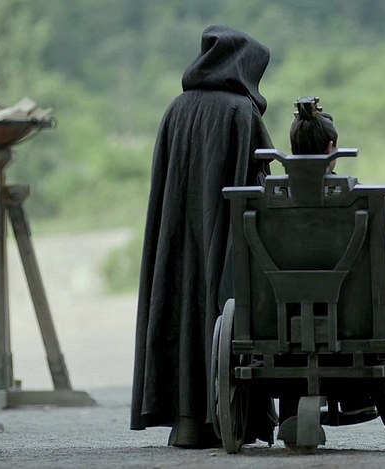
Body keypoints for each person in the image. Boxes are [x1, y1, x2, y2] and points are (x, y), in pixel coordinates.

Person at [131, 25, 276, 448]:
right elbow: (261, 186)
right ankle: (224, 419)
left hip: (175, 240)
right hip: (224, 239)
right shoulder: (240, 113)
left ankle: (187, 422)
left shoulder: (175, 110)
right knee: (220, 308)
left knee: (179, 306)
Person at [276, 96, 385, 424]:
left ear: (292, 148)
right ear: (332, 148)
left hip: (281, 321)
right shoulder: (357, 202)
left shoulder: (268, 203)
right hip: (352, 322)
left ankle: (290, 409)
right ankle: (359, 397)